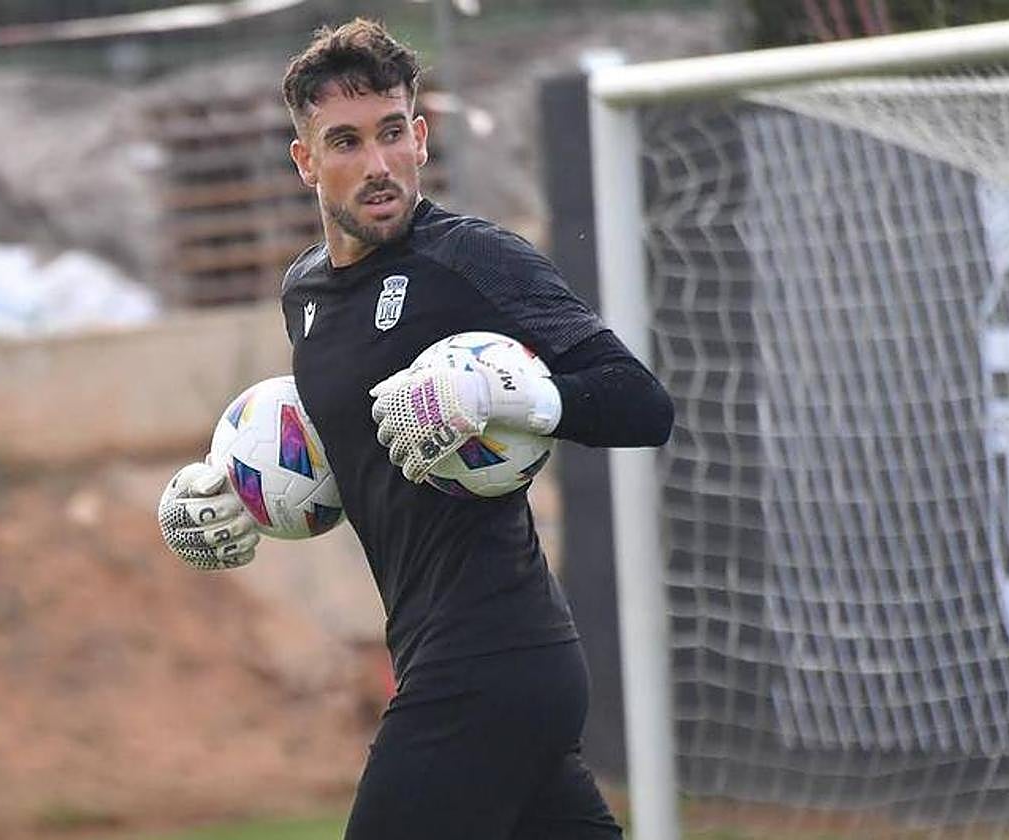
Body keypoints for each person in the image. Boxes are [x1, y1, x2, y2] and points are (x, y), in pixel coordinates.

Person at [158, 18, 673, 839]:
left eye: (393, 132)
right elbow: (342, 447)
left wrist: (507, 397)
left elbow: (642, 403)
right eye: (346, 141)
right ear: (305, 162)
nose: (377, 164)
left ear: (422, 137)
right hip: (471, 659)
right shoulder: (306, 297)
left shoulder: (472, 261)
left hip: (490, 654)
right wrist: (238, 490)